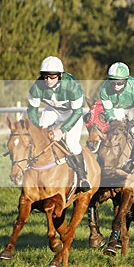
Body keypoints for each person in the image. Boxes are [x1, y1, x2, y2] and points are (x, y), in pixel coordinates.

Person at [26, 56, 90, 191]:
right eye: (45, 76)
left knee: (72, 143)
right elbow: (32, 110)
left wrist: (61, 130)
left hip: (72, 113)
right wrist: (38, 129)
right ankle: (29, 169)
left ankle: (82, 177)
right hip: (53, 110)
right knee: (38, 136)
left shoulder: (72, 86)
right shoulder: (37, 86)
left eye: (52, 76)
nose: (48, 80)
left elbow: (77, 112)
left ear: (60, 75)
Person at [99, 62, 134, 138]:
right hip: (117, 108)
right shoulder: (104, 89)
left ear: (126, 80)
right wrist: (113, 121)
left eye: (119, 83)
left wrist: (133, 122)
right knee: (115, 130)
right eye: (112, 82)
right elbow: (108, 111)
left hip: (133, 108)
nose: (116, 86)